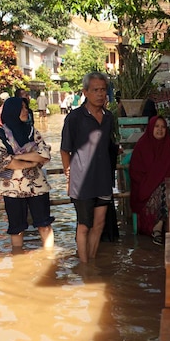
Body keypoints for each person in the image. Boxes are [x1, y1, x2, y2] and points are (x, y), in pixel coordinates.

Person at [61, 72, 115, 263]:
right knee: (84, 224)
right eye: (95, 90)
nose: (100, 94)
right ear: (85, 92)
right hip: (81, 181)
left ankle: (91, 261)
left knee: (99, 224)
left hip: (103, 179)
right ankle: (84, 266)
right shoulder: (74, 118)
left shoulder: (109, 117)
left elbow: (109, 146)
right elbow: (64, 150)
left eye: (103, 90)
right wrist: (69, 177)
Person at [0, 97, 54, 252]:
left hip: (37, 186)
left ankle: (50, 260)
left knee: (44, 224)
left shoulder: (32, 130)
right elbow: (5, 162)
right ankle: (18, 260)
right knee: (16, 229)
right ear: (12, 111)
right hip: (12, 189)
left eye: (25, 107)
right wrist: (31, 160)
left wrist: (18, 156)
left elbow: (44, 154)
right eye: (22, 108)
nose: (26, 110)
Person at [129, 116, 170, 244]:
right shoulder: (142, 146)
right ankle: (158, 228)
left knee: (166, 189)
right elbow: (135, 172)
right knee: (163, 190)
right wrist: (151, 183)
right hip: (144, 190)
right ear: (151, 128)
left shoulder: (169, 147)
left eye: (163, 127)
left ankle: (159, 226)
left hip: (164, 188)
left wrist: (158, 182)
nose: (160, 130)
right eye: (156, 126)